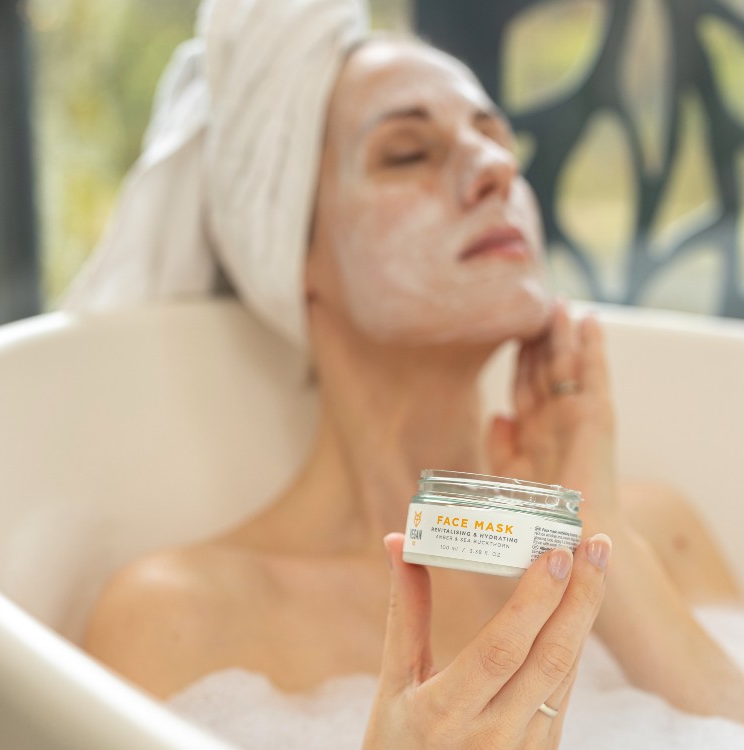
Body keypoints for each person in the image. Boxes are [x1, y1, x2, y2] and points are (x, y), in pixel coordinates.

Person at [64, 0, 744, 747]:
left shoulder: (653, 534)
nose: (495, 170)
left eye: (495, 139)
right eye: (409, 154)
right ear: (296, 254)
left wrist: (606, 550)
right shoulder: (183, 617)